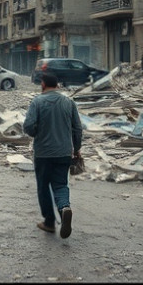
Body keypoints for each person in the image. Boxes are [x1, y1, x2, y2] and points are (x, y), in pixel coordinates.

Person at [22, 72, 83, 239]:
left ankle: (49, 222)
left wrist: (38, 131)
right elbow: (77, 128)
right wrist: (77, 148)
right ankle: (64, 208)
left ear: (43, 84)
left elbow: (28, 126)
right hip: (64, 152)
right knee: (60, 184)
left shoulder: (37, 102)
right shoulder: (68, 102)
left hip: (43, 153)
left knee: (43, 187)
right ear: (57, 85)